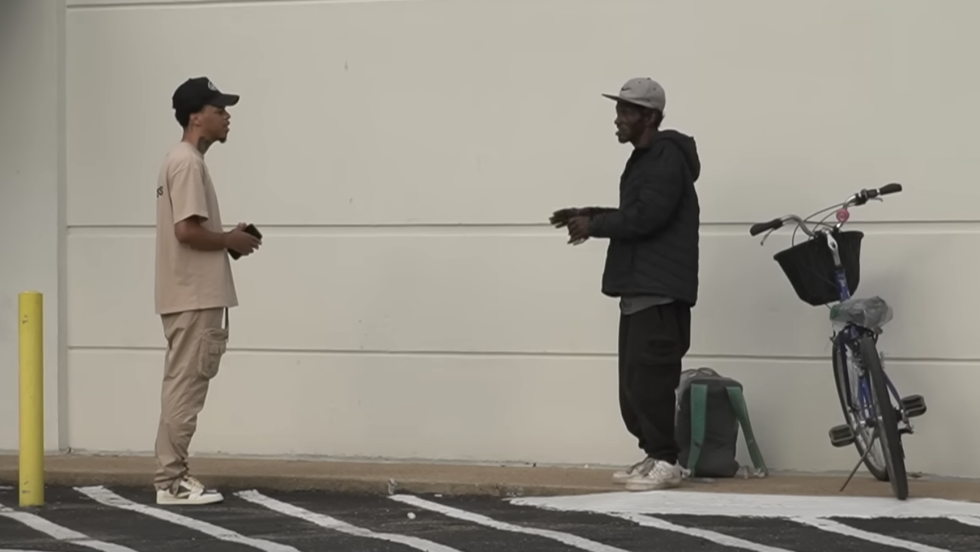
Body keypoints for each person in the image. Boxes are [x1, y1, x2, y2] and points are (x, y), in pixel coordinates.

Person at [552, 77, 701, 491]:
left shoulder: (666, 157)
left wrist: (595, 225)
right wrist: (587, 213)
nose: (617, 120)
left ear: (650, 117)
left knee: (651, 379)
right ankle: (655, 453)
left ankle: (668, 461)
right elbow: (635, 210)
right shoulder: (646, 158)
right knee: (633, 383)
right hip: (640, 288)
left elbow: (647, 216)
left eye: (626, 112)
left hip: (660, 290)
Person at [153, 76, 261, 505]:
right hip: (194, 295)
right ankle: (172, 482)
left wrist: (225, 237)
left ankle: (171, 477)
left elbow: (190, 228)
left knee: (180, 384)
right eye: (219, 110)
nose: (227, 116)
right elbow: (186, 231)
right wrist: (229, 241)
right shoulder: (187, 163)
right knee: (186, 388)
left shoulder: (180, 160)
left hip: (186, 293)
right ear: (196, 117)